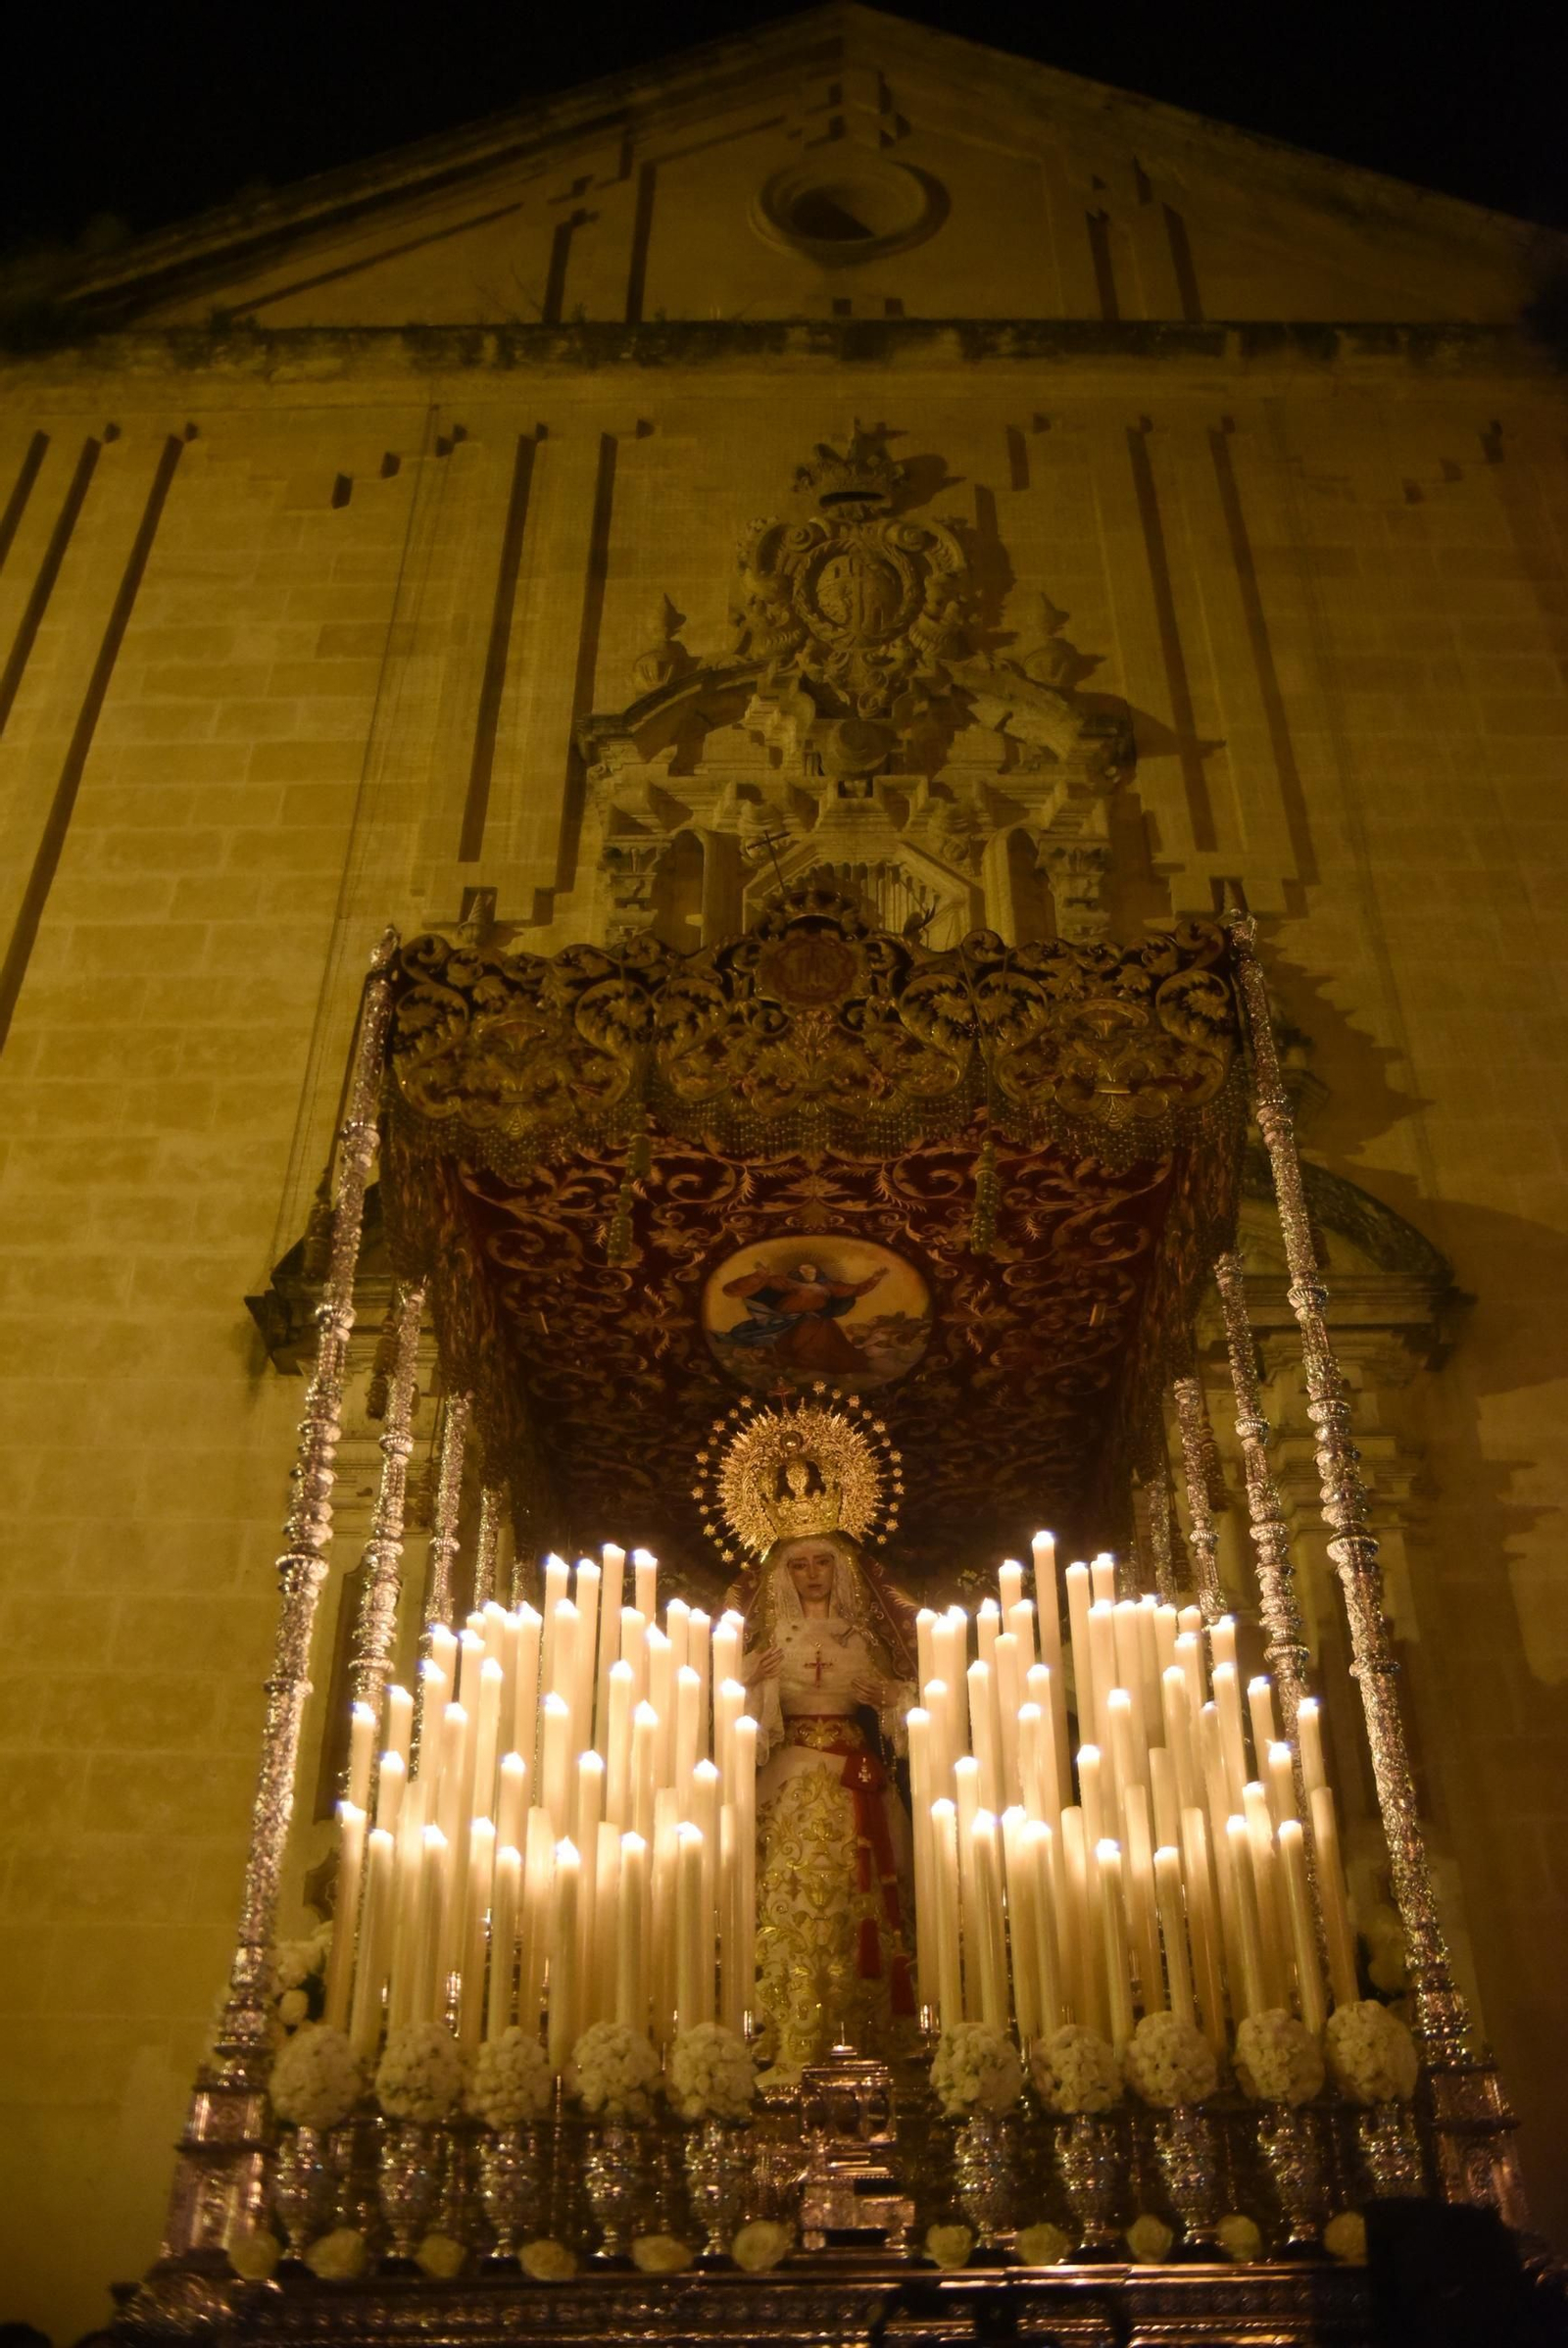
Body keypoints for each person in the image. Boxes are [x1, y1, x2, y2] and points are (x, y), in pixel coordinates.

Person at [725, 1526, 919, 2072]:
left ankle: (866, 2025)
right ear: (783, 1575)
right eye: (799, 1564)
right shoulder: (771, 1641)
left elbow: (920, 1702)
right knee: (787, 1885)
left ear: (841, 1570)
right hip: (788, 1778)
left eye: (821, 1563)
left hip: (855, 1776)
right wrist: (746, 1679)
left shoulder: (863, 1639)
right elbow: (720, 1710)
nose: (811, 1574)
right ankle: (788, 2019)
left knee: (856, 1896)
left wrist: (892, 1698)